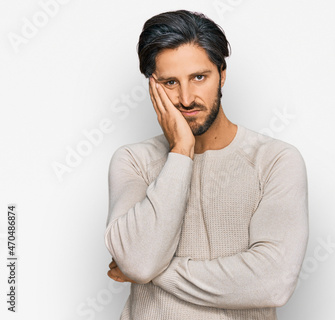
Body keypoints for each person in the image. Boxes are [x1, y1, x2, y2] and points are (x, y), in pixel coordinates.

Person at [104, 9, 309, 320]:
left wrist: (157, 272)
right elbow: (140, 261)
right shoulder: (133, 161)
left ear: (222, 74)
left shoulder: (275, 160)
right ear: (152, 87)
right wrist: (181, 151)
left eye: (199, 77)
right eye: (170, 82)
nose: (186, 99)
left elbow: (273, 283)